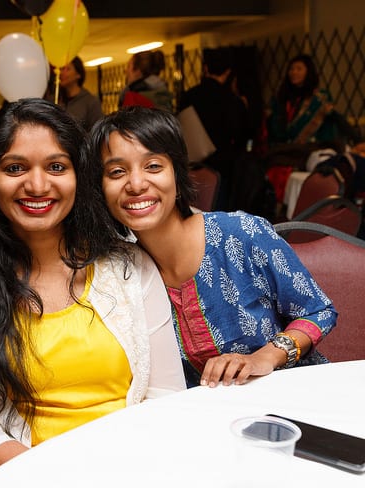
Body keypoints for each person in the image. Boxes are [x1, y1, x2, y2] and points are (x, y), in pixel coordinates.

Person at [0, 98, 186, 476]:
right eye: (15, 167)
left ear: (79, 176)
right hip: (30, 476)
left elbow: (166, 399)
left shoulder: (129, 269)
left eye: (56, 166)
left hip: (136, 466)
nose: (37, 185)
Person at [90, 106, 337, 389]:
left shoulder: (241, 233)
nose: (136, 184)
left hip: (294, 393)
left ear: (177, 176)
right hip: (205, 412)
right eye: (117, 172)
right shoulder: (122, 273)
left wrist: (265, 357)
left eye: (153, 166)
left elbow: (319, 311)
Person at [178, 47, 251, 210]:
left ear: (205, 68)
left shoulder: (188, 96)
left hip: (192, 163)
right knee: (219, 207)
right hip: (223, 165)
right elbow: (242, 135)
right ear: (228, 72)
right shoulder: (233, 100)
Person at [266, 54, 340, 147]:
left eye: (299, 69)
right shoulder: (280, 97)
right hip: (281, 147)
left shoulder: (319, 98)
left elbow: (334, 120)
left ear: (308, 72)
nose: (294, 72)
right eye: (291, 69)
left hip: (310, 148)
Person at [59, 56, 103, 132]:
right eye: (62, 69)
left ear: (78, 74)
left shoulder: (91, 102)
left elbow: (97, 131)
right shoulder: (55, 98)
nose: (62, 73)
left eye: (68, 69)